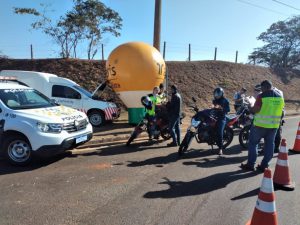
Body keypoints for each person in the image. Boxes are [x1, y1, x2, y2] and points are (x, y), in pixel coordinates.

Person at [241, 80, 285, 172]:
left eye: (261, 88)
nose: (261, 90)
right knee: (269, 145)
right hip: (273, 126)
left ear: (264, 87)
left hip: (260, 125)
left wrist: (250, 108)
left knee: (253, 144)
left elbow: (256, 110)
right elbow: (282, 112)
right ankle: (264, 165)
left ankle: (250, 164)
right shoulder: (280, 97)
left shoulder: (261, 96)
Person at [212, 87, 230, 155]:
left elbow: (228, 110)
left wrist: (221, 108)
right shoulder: (214, 100)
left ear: (222, 94)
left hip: (221, 118)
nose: (217, 95)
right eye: (216, 93)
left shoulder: (225, 100)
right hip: (214, 116)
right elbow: (213, 106)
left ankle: (220, 149)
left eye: (218, 93)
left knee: (220, 132)